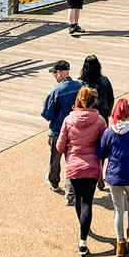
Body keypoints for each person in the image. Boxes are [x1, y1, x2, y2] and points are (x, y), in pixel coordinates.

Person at [57, 86, 108, 257]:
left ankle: (83, 228)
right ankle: (82, 241)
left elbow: (59, 146)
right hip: (92, 166)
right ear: (94, 102)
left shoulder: (68, 120)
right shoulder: (100, 121)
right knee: (87, 202)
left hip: (74, 166)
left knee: (79, 200)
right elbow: (104, 146)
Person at [98, 98, 129, 257]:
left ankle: (120, 244)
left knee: (118, 210)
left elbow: (101, 154)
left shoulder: (108, 132)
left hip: (114, 177)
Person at [42, 60, 82, 201]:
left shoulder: (56, 91)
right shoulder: (80, 87)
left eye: (54, 73)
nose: (54, 75)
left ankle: (54, 182)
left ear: (60, 72)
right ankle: (70, 194)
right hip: (75, 131)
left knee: (55, 159)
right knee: (71, 161)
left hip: (58, 131)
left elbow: (47, 114)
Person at [79, 55, 115, 127]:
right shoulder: (105, 80)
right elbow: (111, 98)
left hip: (86, 118)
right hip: (102, 115)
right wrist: (108, 111)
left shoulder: (81, 83)